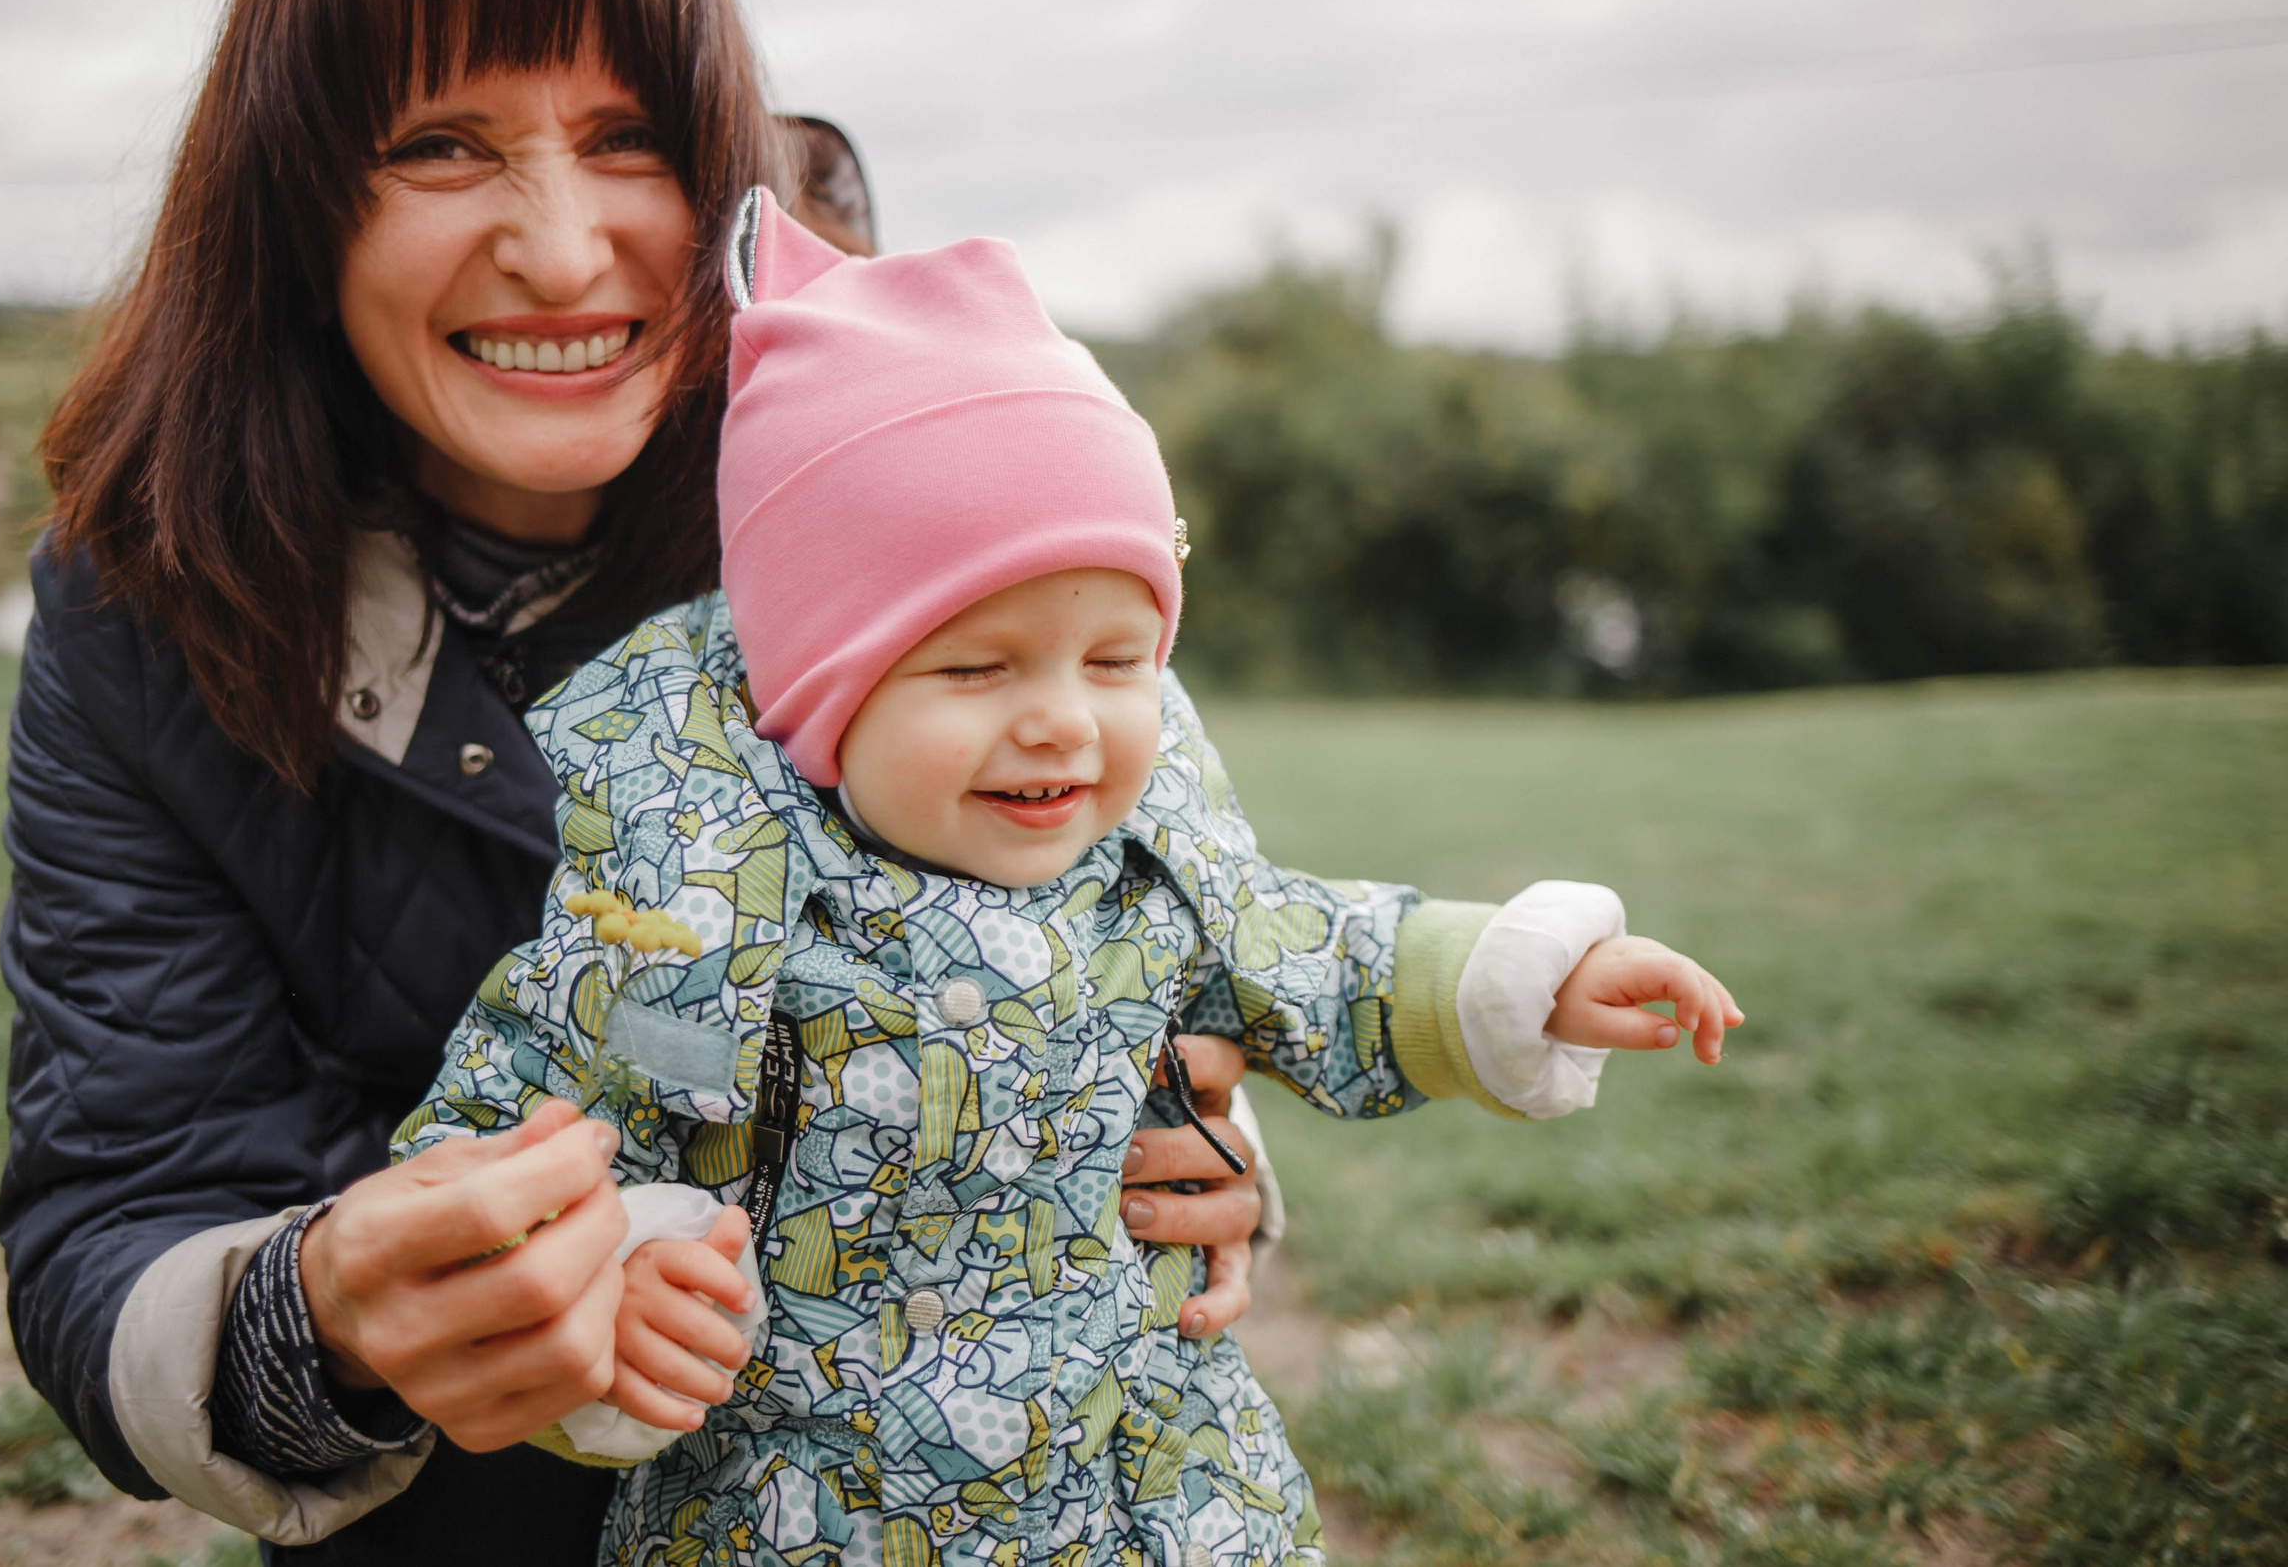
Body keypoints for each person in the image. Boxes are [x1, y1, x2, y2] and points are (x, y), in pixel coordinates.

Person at [0, 0, 1269, 1561]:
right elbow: (121, 1194)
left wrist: (1182, 1132)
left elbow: (1152, 899)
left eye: (628, 139)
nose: (560, 249)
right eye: (441, 143)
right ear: (298, 197)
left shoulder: (902, 502)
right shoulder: (138, 608)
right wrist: (321, 1321)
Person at [395, 190, 1743, 1565]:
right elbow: (518, 1145)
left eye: (1115, 660)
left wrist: (1534, 976)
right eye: (975, 666)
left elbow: (1322, 954)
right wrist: (614, 1287)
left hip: (1144, 1493)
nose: (1063, 719)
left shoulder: (1152, 864)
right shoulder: (682, 906)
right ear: (817, 691)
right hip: (806, 1513)